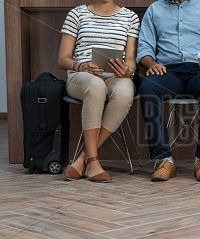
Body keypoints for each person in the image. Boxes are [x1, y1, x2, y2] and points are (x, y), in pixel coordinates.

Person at [138, 0, 200, 182]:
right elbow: (144, 48)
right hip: (167, 70)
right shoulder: (154, 9)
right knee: (148, 87)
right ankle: (163, 160)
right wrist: (151, 64)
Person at [58, 0, 140, 183]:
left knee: (126, 91)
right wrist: (81, 65)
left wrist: (129, 70)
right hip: (81, 76)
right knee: (96, 86)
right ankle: (93, 163)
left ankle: (82, 159)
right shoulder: (77, 14)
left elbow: (131, 59)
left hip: (114, 76)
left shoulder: (130, 17)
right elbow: (62, 59)